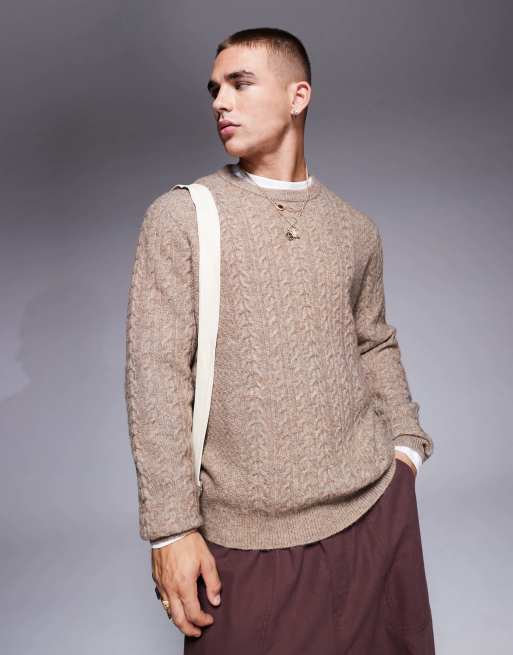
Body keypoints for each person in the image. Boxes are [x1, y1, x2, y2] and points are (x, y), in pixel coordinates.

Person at [124, 27, 436, 654]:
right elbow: (155, 373)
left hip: (375, 512)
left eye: (240, 84)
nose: (220, 102)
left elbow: (373, 341)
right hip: (246, 539)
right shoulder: (184, 216)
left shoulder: (355, 229)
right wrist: (170, 530)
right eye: (215, 89)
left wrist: (406, 448)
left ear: (298, 96)